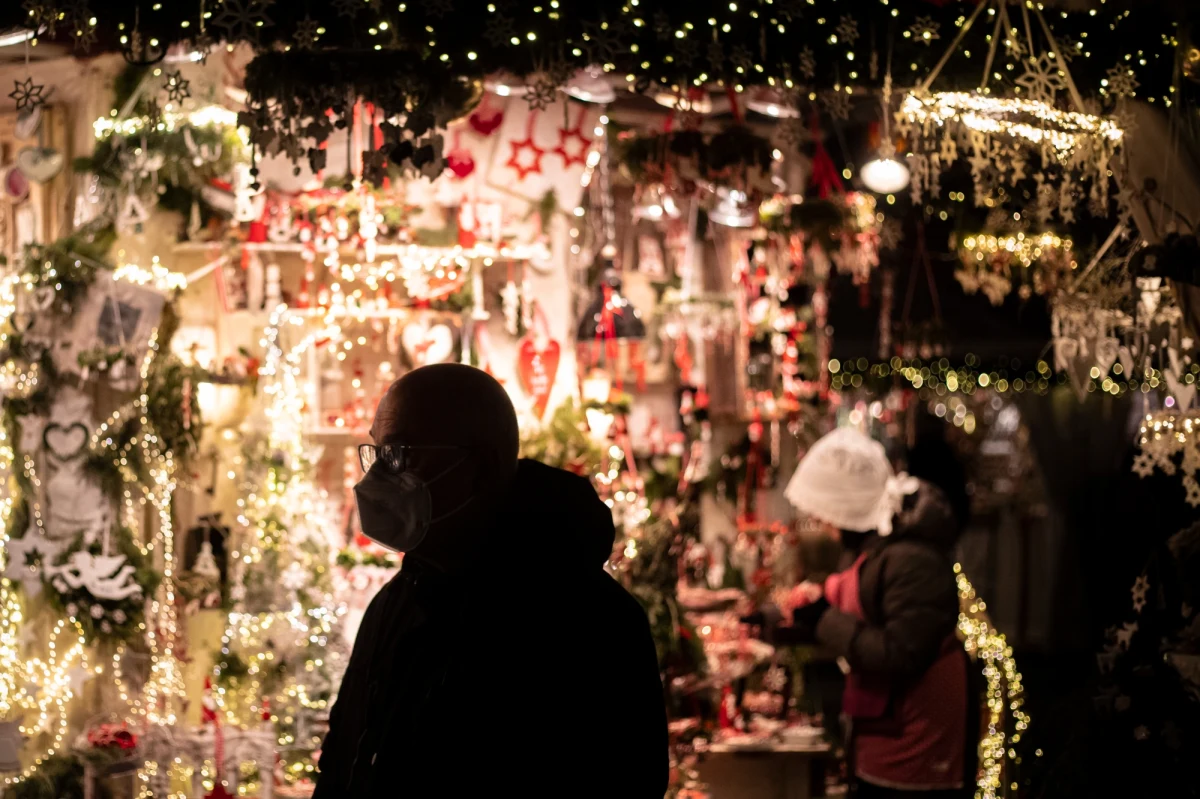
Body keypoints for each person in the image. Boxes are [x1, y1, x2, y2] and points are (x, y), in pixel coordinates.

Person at [314, 364, 668, 797]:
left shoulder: (593, 623)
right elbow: (343, 760)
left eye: (399, 454)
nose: (376, 479)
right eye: (376, 454)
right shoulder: (394, 605)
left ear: (478, 468)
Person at [783, 427, 970, 799]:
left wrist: (823, 617)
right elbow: (856, 591)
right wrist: (812, 603)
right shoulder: (883, 549)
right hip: (889, 725)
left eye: (829, 515)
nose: (826, 527)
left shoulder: (911, 558)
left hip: (917, 737)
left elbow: (901, 652)